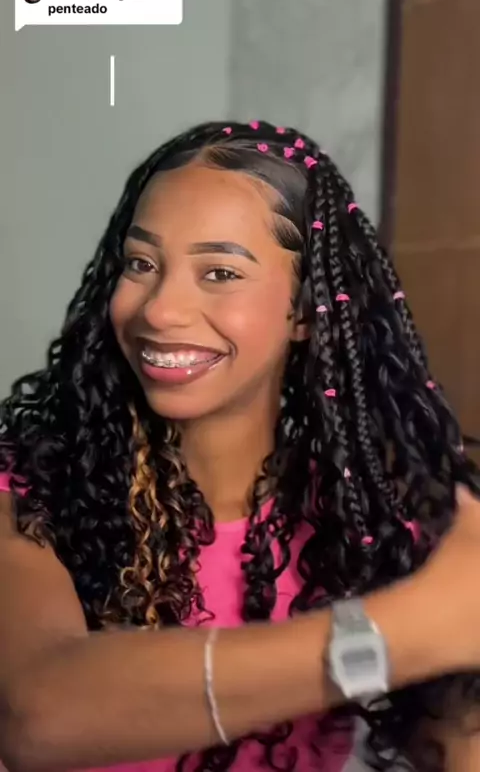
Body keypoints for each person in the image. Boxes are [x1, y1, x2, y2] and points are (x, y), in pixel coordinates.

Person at [0, 120, 479, 772]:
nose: (159, 310)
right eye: (141, 264)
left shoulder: (364, 517)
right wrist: (398, 633)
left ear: (304, 312)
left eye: (220, 272)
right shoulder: (28, 495)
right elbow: (36, 714)